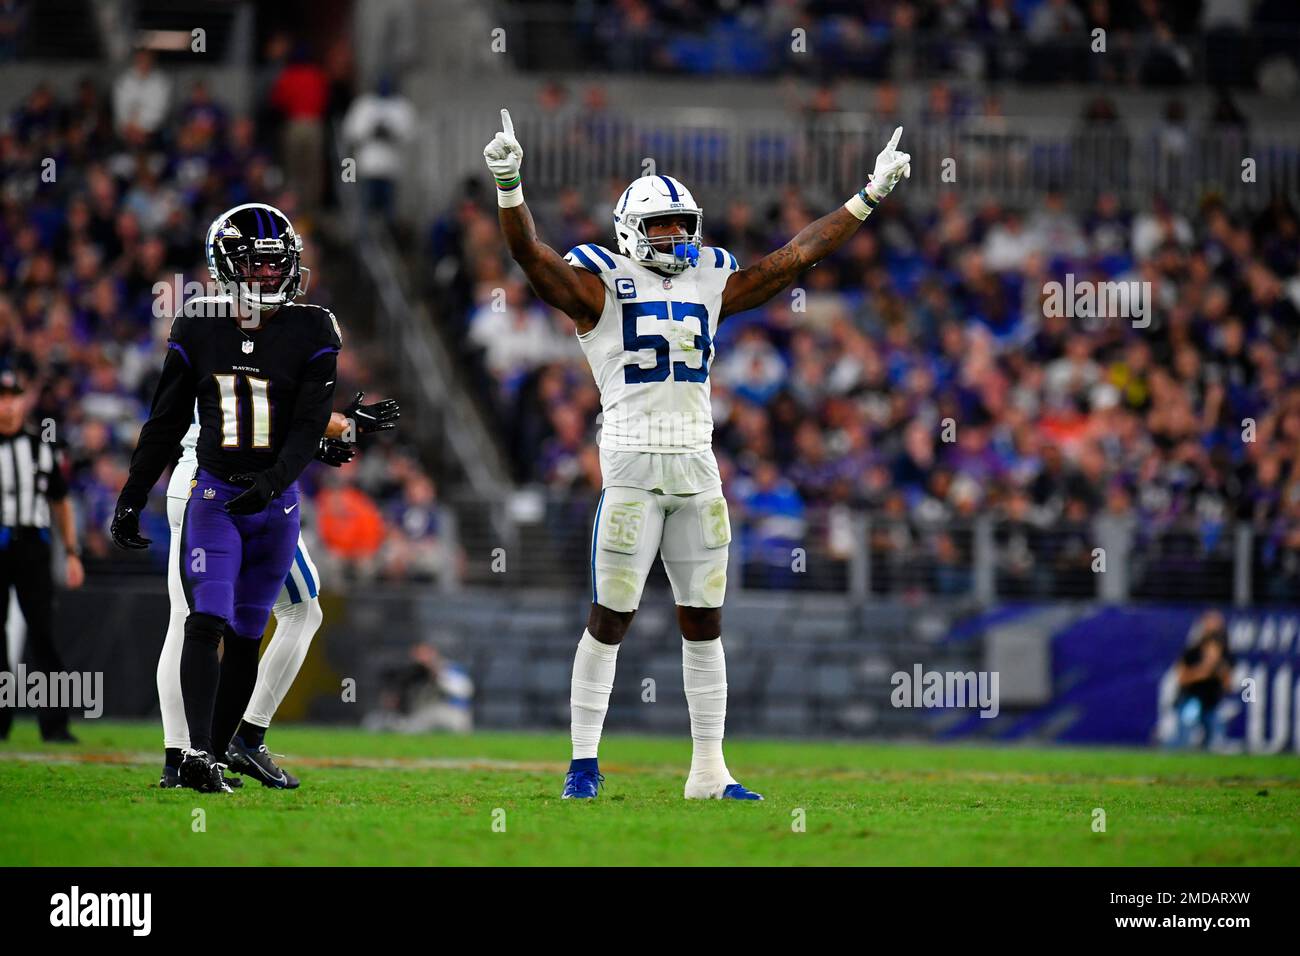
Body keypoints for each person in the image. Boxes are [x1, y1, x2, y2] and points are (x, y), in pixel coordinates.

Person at [484, 108, 910, 799]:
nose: (676, 236)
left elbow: (795, 257)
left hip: (697, 465)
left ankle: (709, 772)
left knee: (704, 620)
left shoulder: (710, 275)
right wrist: (509, 184)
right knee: (610, 616)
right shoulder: (598, 280)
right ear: (630, 230)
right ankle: (583, 765)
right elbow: (531, 257)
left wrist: (869, 195)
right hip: (630, 464)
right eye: (661, 226)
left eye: (683, 224)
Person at [111, 202, 343, 793]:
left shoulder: (312, 328)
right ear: (226, 267)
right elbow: (165, 423)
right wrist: (131, 494)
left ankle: (211, 750)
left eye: (277, 264)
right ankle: (189, 753)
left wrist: (322, 443)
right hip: (207, 489)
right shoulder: (199, 325)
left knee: (248, 626)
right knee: (195, 620)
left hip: (275, 499)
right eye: (257, 265)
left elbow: (297, 421)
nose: (271, 275)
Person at [0, 369, 85, 742]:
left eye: (14, 395)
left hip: (32, 544)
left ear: (24, 399)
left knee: (43, 635)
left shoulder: (40, 445)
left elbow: (61, 501)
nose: (7, 404)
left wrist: (71, 551)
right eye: (2, 396)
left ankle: (55, 724)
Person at [1172, 611, 1235, 749]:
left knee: (1213, 742)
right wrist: (1202, 672)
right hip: (1192, 699)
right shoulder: (1192, 652)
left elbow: (1228, 685)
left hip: (1212, 703)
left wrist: (1220, 671)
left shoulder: (1226, 657)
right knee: (1184, 736)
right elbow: (1181, 678)